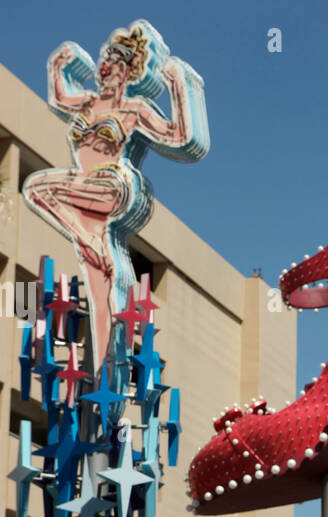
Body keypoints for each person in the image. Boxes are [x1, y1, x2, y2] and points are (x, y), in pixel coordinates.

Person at [23, 19, 207, 368]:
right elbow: (59, 94)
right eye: (104, 60)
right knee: (102, 275)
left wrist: (181, 84)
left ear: (129, 71)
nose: (105, 67)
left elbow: (183, 139)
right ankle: (104, 375)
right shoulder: (87, 104)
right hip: (81, 197)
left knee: (38, 185)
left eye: (115, 62)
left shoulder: (134, 110)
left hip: (112, 188)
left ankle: (88, 241)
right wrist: (63, 60)